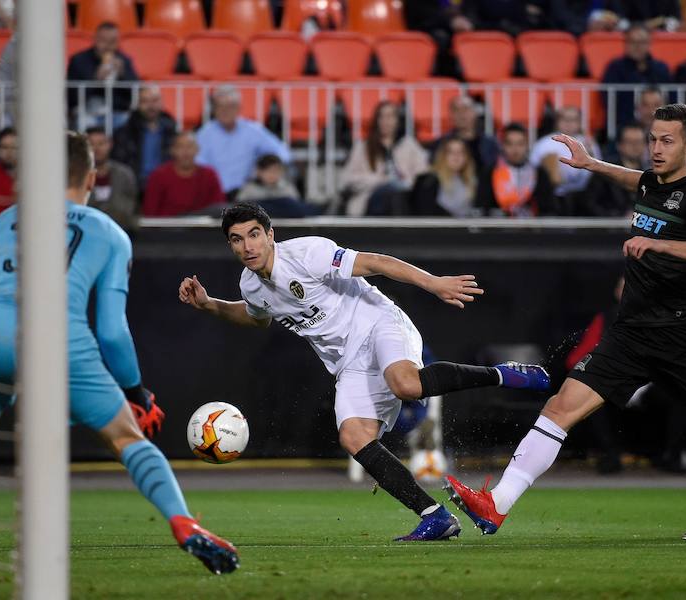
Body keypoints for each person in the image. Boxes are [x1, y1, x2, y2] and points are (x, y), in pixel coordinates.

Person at [443, 104, 686, 542]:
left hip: (681, 338)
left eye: (667, 141)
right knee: (561, 408)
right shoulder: (651, 184)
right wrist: (590, 164)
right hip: (631, 333)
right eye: (653, 139)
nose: (656, 149)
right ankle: (497, 506)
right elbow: (634, 180)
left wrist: (659, 245)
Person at [0, 131, 238, 575]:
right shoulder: (109, 232)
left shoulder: (2, 223)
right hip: (58, 337)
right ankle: (183, 522)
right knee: (127, 437)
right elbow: (110, 330)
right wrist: (137, 392)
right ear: (91, 176)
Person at [178, 201, 550, 541]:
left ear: (270, 235)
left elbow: (376, 262)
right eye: (237, 240)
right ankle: (434, 516)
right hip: (348, 362)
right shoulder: (250, 284)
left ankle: (501, 373)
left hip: (377, 323)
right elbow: (256, 317)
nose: (248, 247)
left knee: (405, 384)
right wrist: (210, 304)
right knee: (354, 437)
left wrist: (433, 283)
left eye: (254, 235)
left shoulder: (308, 253)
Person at [195, 85, 290, 199]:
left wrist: (264, 169)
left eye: (231, 106)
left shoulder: (253, 130)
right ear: (214, 109)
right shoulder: (204, 134)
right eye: (220, 106)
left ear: (239, 108)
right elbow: (198, 165)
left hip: (247, 193)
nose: (225, 111)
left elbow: (283, 153)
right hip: (213, 194)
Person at [339, 100, 428, 216]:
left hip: (405, 196)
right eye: (382, 116)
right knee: (390, 191)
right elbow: (347, 179)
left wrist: (404, 182)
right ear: (376, 120)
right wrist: (379, 180)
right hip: (372, 198)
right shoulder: (363, 147)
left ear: (397, 120)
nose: (386, 121)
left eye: (390, 116)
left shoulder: (409, 145)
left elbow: (422, 173)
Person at [67, 21, 139, 130]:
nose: (108, 46)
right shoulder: (79, 60)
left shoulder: (124, 60)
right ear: (95, 39)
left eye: (113, 41)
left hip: (117, 114)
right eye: (103, 41)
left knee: (129, 123)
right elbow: (72, 97)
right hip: (88, 114)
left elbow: (136, 92)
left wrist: (123, 75)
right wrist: (96, 80)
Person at [530, 106, 601, 214]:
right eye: (565, 119)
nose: (569, 123)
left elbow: (598, 169)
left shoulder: (589, 143)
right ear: (557, 121)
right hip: (553, 196)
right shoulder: (546, 142)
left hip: (584, 196)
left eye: (573, 119)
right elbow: (535, 171)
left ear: (579, 122)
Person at [601, 23, 671, 132]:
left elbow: (670, 99)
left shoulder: (661, 68)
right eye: (633, 42)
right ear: (626, 44)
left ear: (649, 44)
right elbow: (608, 101)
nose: (637, 46)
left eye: (642, 42)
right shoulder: (615, 68)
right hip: (623, 126)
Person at [432, 96, 499, 206]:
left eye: (466, 109)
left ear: (475, 112)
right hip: (449, 197)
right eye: (456, 110)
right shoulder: (440, 144)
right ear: (451, 115)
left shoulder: (490, 144)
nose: (461, 114)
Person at [142, 131, 226, 217]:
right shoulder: (158, 176)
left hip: (202, 229)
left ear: (197, 150)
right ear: (172, 150)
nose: (185, 152)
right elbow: (149, 214)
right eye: (180, 147)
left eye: (189, 147)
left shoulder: (210, 175)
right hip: (166, 229)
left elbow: (219, 211)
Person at [111, 85, 178, 190]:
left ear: (162, 103)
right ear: (138, 104)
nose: (151, 106)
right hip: (134, 187)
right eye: (145, 101)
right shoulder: (123, 133)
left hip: (167, 187)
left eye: (155, 100)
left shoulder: (173, 132)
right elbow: (120, 165)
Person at [580, 122, 645, 216]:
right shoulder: (604, 170)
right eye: (630, 142)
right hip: (609, 227)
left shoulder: (651, 172)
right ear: (620, 145)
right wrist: (618, 217)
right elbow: (589, 203)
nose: (635, 146)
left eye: (639, 142)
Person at [409, 137, 480, 217]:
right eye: (451, 152)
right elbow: (425, 212)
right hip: (439, 227)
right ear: (443, 155)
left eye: (461, 152)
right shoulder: (428, 181)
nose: (456, 156)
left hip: (465, 227)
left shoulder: (473, 181)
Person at [87, 127, 138, 231]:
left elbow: (131, 208)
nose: (96, 149)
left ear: (110, 144)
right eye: (91, 144)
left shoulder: (125, 175)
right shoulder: (77, 176)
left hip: (121, 231)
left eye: (101, 143)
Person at [237, 154, 317, 218]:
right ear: (259, 172)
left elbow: (297, 209)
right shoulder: (249, 189)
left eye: (276, 171)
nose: (272, 175)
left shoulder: (287, 188)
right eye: (268, 171)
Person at [491, 122, 543, 217]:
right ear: (502, 145)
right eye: (509, 144)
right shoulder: (490, 172)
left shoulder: (539, 173)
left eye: (520, 144)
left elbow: (548, 210)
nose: (515, 149)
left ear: (527, 145)